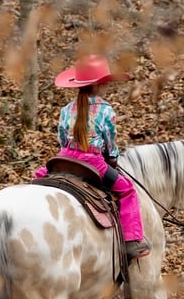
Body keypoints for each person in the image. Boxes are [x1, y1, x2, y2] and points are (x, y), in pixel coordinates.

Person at [35, 54, 151, 260]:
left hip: (65, 156)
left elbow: (62, 139)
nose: (107, 86)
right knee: (127, 191)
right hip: (93, 161)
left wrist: (68, 151)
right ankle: (131, 241)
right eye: (105, 82)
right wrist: (113, 158)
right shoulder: (106, 110)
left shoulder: (66, 109)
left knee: (38, 177)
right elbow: (110, 142)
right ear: (99, 85)